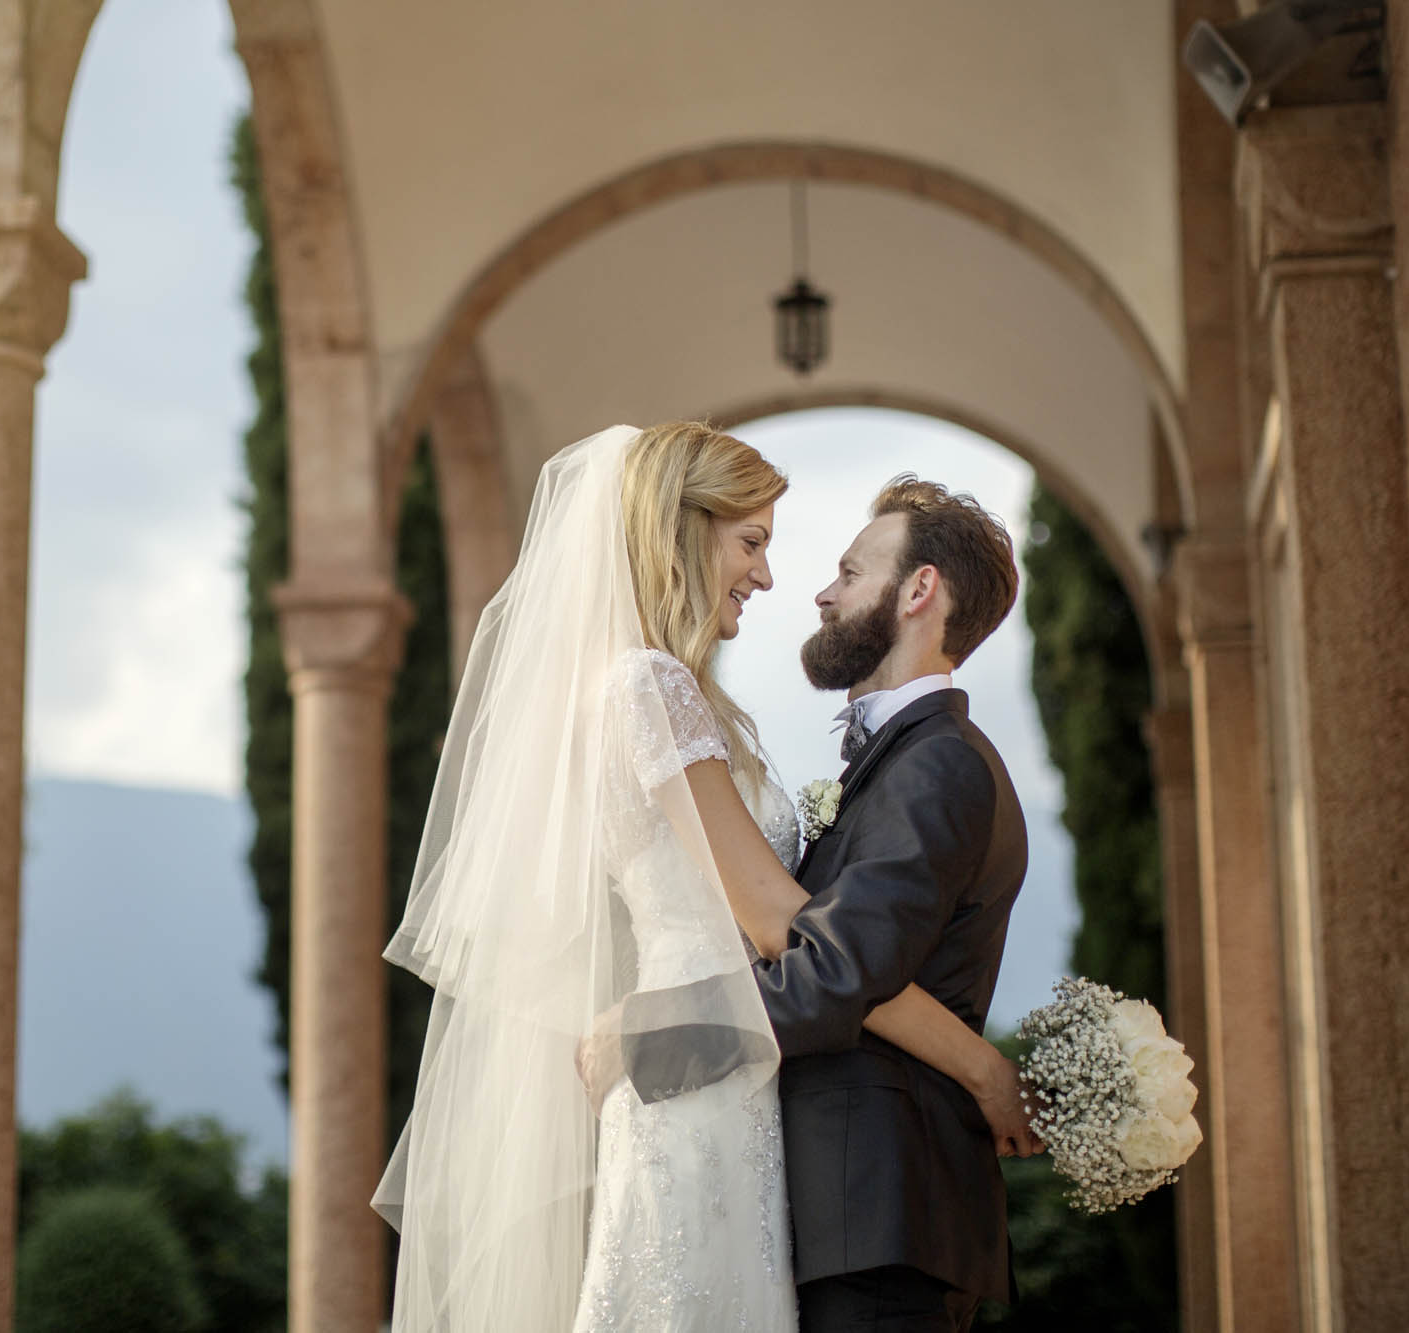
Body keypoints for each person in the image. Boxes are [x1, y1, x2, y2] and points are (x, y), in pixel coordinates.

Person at [375, 422, 1034, 1332]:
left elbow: (816, 946)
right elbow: (779, 921)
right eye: (751, 541)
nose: (769, 576)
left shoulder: (682, 695)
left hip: (727, 1085)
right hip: (697, 1093)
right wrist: (979, 1063)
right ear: (684, 531)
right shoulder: (650, 686)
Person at [611, 472, 1034, 1331]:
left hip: (879, 1224)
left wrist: (646, 1034)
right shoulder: (904, 761)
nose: (819, 592)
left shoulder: (939, 764)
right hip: (848, 1219)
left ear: (918, 590)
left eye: (849, 572)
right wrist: (981, 1064)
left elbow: (835, 973)